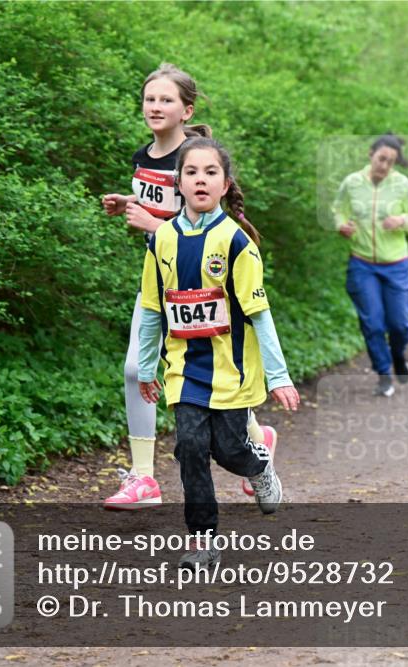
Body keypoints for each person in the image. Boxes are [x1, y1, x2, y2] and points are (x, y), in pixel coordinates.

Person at [100, 63, 276, 509]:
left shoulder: (197, 158)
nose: (155, 107)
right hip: (160, 281)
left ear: (186, 109)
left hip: (206, 288)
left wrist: (153, 222)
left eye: (165, 100)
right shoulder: (143, 157)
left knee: (216, 372)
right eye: (149, 99)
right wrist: (128, 204)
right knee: (135, 370)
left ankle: (253, 439)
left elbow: (197, 220)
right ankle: (143, 477)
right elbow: (156, 203)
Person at [137, 137, 300, 569]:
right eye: (191, 172)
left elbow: (260, 314)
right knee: (190, 448)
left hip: (233, 372)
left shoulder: (236, 242)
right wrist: (145, 365)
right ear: (179, 182)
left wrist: (278, 376)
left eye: (210, 172)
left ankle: (258, 464)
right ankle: (203, 541)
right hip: (184, 371)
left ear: (225, 184)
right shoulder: (161, 240)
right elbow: (154, 309)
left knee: (229, 452)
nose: (200, 180)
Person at [332, 133, 408, 397]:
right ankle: (383, 373)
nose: (385, 165)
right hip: (362, 263)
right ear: (371, 154)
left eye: (391, 161)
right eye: (381, 158)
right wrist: (342, 224)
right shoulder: (352, 183)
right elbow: (338, 209)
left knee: (400, 325)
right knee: (372, 323)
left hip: (396, 264)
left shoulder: (402, 185)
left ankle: (398, 356)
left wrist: (402, 220)